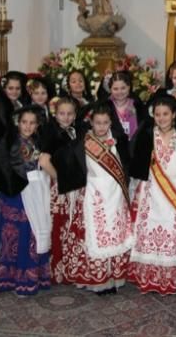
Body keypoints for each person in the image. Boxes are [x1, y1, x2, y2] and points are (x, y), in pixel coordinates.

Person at [50, 103, 134, 294]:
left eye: (105, 123)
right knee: (97, 237)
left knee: (116, 236)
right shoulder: (83, 143)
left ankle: (115, 277)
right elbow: (71, 165)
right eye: (98, 123)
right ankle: (99, 279)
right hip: (94, 197)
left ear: (111, 122)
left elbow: (126, 168)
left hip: (115, 196)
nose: (102, 126)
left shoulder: (119, 141)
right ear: (91, 123)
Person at [127, 96, 176, 294]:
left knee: (174, 232)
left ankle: (174, 278)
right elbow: (137, 164)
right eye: (157, 114)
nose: (161, 118)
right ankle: (150, 276)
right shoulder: (146, 135)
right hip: (151, 192)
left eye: (165, 114)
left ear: (174, 114)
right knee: (151, 229)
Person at [0, 105, 52, 296]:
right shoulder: (10, 142)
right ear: (18, 123)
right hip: (16, 194)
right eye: (24, 122)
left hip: (35, 192)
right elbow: (2, 166)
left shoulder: (37, 141)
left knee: (31, 233)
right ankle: (13, 278)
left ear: (37, 125)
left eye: (32, 123)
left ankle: (31, 277)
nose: (27, 126)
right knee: (16, 235)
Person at [39, 97, 82, 284]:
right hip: (59, 187)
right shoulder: (52, 133)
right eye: (62, 113)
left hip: (74, 186)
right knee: (58, 225)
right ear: (55, 115)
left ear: (75, 115)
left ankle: (69, 267)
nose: (66, 117)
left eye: (70, 113)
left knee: (70, 226)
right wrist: (59, 179)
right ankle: (55, 269)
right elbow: (43, 161)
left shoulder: (76, 132)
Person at [106, 70, 151, 142]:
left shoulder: (136, 105)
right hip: (111, 146)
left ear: (129, 87)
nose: (119, 92)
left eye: (123, 88)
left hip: (133, 146)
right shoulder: (105, 106)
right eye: (115, 89)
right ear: (110, 89)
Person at [0, 71, 30, 142]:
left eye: (17, 88)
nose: (14, 91)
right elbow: (0, 135)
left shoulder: (22, 104)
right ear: (4, 89)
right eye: (10, 88)